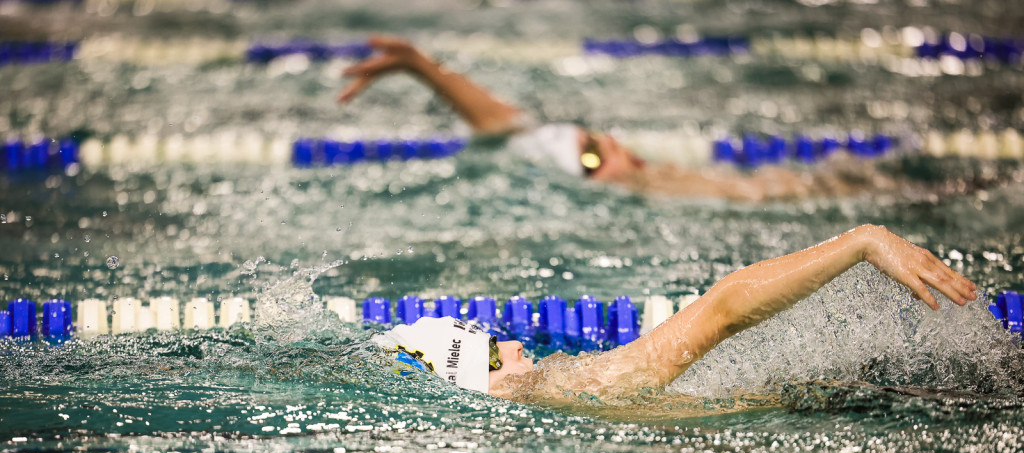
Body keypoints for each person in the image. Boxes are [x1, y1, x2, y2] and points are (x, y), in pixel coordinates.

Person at [372, 224, 979, 405]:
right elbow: (723, 309)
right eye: (499, 344)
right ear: (489, 366)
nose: (519, 345)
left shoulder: (539, 399)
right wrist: (863, 242)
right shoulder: (550, 386)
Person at [338, 36, 895, 201]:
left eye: (593, 139)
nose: (612, 146)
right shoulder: (671, 192)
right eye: (592, 157)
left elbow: (496, 117)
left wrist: (420, 64)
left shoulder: (542, 145)